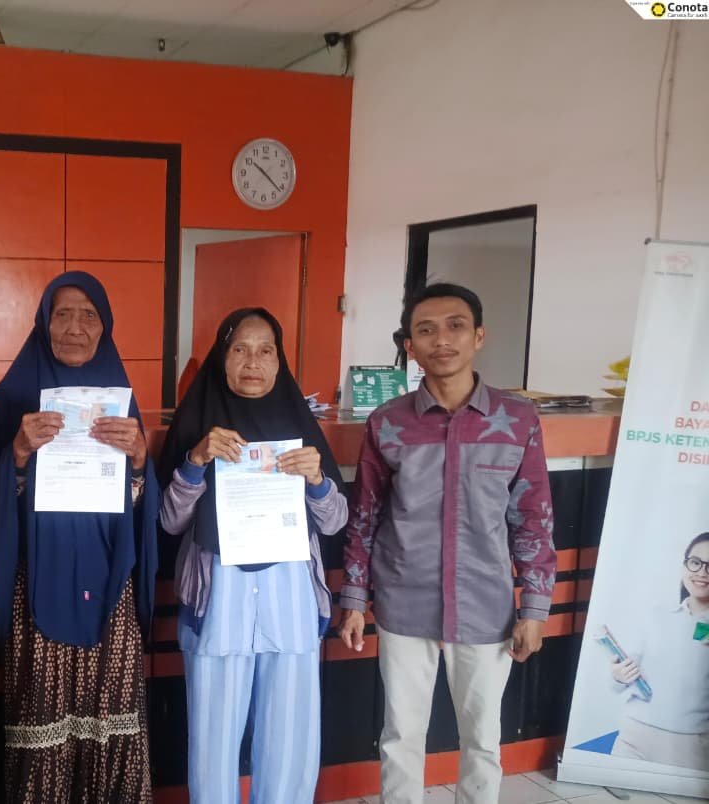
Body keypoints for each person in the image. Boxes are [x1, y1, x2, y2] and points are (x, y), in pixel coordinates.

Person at [337, 282, 557, 804]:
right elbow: (365, 516)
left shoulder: (517, 421)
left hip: (485, 604)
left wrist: (535, 608)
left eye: (455, 326)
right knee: (400, 736)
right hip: (403, 598)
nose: (441, 339)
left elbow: (533, 518)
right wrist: (354, 599)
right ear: (409, 346)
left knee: (482, 741)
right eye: (426, 330)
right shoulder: (387, 423)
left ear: (478, 335)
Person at [158, 308, 348, 803]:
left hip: (290, 604)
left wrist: (317, 480)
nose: (252, 362)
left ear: (279, 361)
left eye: (266, 351)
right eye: (240, 349)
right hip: (219, 605)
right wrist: (195, 461)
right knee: (213, 740)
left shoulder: (301, 427)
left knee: (289, 739)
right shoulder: (198, 427)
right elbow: (169, 521)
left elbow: (335, 522)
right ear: (222, 356)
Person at [0, 271, 159, 804]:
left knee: (112, 717)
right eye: (62, 314)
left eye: (89, 316)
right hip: (37, 584)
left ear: (105, 327)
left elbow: (136, 505)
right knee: (43, 721)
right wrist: (16, 456)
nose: (75, 327)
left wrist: (139, 462)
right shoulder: (14, 394)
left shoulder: (120, 398)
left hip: (110, 583)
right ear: (44, 322)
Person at [608, 532, 709, 770]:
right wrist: (617, 675)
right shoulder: (657, 616)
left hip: (691, 746)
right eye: (695, 562)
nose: (702, 572)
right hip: (634, 736)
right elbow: (616, 682)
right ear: (684, 565)